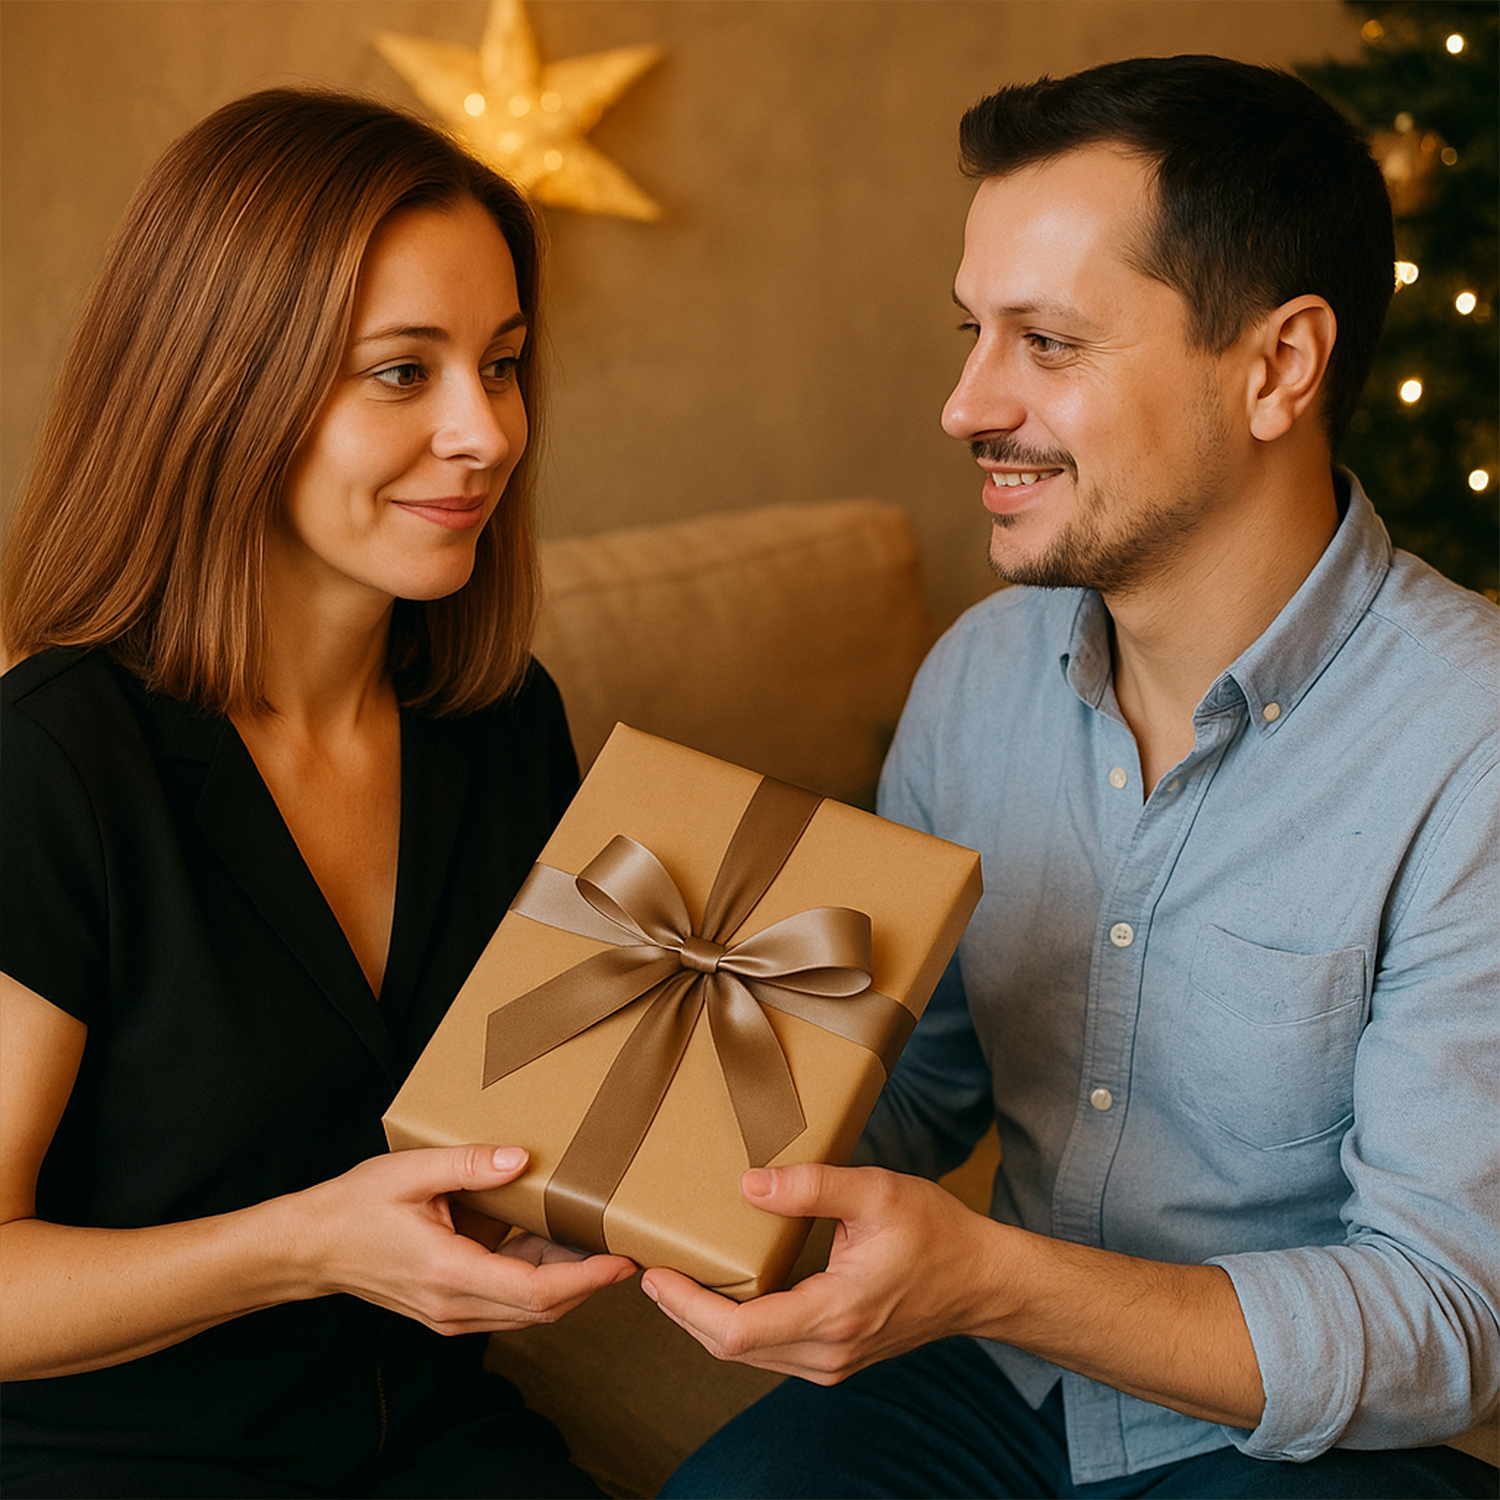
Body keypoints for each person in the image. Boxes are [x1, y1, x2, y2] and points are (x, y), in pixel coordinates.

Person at [646, 55, 1500, 1499]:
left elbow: (1447, 1318)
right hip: (1002, 1391)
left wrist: (988, 1279)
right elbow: (915, 1090)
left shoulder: (1469, 745)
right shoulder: (981, 673)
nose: (966, 404)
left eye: (1045, 344)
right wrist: (632, 1157)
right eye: (973, 332)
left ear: (1278, 366)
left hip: (1313, 1445)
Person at [0, 88, 639, 1499]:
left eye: (505, 362)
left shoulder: (498, 722)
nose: (486, 433)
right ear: (221, 390)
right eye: (402, 373)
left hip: (426, 1439)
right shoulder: (53, 764)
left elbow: (516, 1120)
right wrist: (304, 1244)